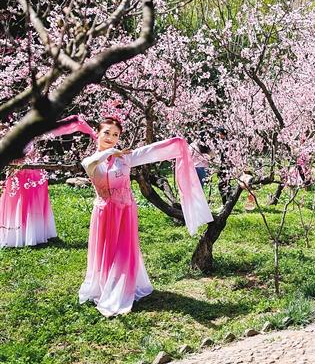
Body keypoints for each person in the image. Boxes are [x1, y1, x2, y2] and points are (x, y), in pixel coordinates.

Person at [79, 117, 213, 316]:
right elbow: (89, 163)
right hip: (105, 212)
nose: (111, 137)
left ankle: (124, 286)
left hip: (125, 210)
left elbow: (150, 152)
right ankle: (105, 286)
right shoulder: (92, 160)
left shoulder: (124, 157)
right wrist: (109, 152)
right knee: (107, 250)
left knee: (124, 249)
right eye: (106, 132)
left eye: (115, 135)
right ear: (97, 134)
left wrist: (175, 144)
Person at [0, 115, 96, 248]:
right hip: (18, 175)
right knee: (19, 201)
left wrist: (80, 125)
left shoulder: (30, 132)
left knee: (33, 202)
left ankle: (35, 233)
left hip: (34, 174)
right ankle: (19, 234)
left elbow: (57, 128)